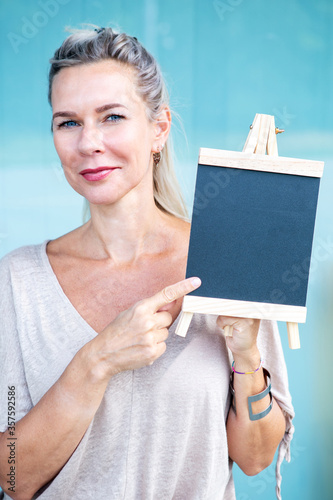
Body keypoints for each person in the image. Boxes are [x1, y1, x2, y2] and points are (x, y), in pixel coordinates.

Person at [0, 26, 294, 500]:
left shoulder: (229, 256)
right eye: (68, 122)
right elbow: (12, 475)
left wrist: (246, 357)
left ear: (158, 128)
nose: (89, 143)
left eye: (112, 116)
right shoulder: (17, 281)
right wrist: (95, 362)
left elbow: (256, 459)